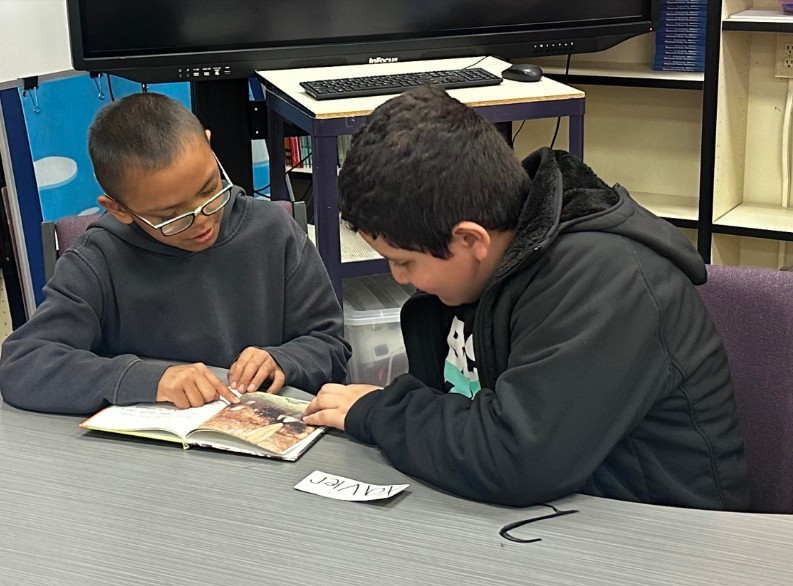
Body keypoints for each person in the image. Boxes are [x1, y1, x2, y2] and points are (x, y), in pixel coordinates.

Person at [303, 86, 751, 511]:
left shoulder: (606, 280)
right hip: (555, 514)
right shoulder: (484, 269)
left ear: (469, 239)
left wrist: (382, 413)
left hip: (660, 536)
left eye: (404, 261)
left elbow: (516, 459)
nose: (399, 279)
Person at [0, 93, 350, 414]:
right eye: (171, 217)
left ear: (210, 148)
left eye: (210, 189)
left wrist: (283, 360)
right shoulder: (99, 258)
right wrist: (147, 379)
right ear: (119, 209)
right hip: (146, 460)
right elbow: (24, 364)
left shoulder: (274, 232)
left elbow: (330, 346)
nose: (201, 220)